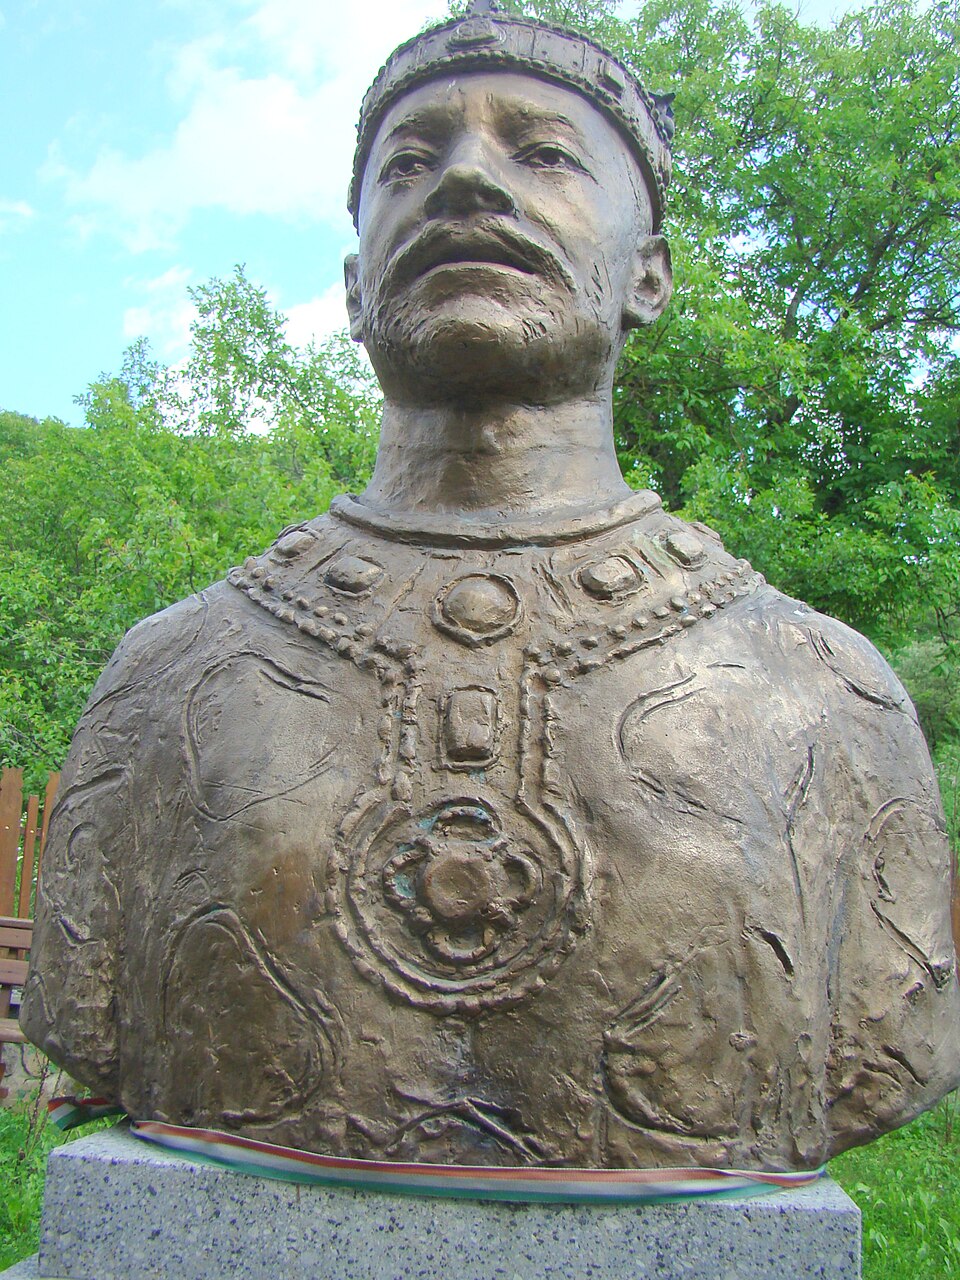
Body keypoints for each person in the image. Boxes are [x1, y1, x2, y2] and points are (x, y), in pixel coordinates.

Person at [22, 0, 960, 1171]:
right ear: (355, 288)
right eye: (409, 162)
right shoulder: (166, 677)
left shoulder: (822, 692)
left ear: (650, 276)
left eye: (545, 152)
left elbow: (886, 1053)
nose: (465, 178)